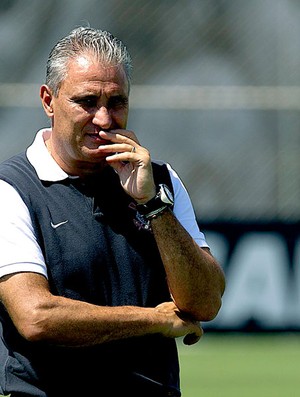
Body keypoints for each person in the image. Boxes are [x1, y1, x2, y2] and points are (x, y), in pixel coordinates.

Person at [0, 27, 225, 397]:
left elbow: (204, 302)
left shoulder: (159, 181)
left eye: (116, 102)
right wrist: (153, 320)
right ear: (48, 100)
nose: (104, 119)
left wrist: (152, 205)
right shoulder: (12, 189)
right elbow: (36, 316)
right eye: (87, 102)